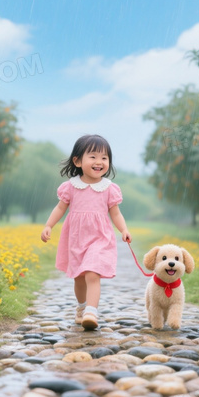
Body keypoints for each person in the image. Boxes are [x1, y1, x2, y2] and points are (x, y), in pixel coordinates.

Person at [41, 134, 131, 330]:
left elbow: (115, 213)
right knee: (79, 277)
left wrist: (123, 229)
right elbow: (60, 208)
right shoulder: (71, 187)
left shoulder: (109, 188)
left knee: (92, 273)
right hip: (76, 238)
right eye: (93, 157)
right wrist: (49, 226)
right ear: (77, 161)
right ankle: (82, 307)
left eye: (104, 158)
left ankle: (91, 311)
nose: (99, 162)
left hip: (100, 238)